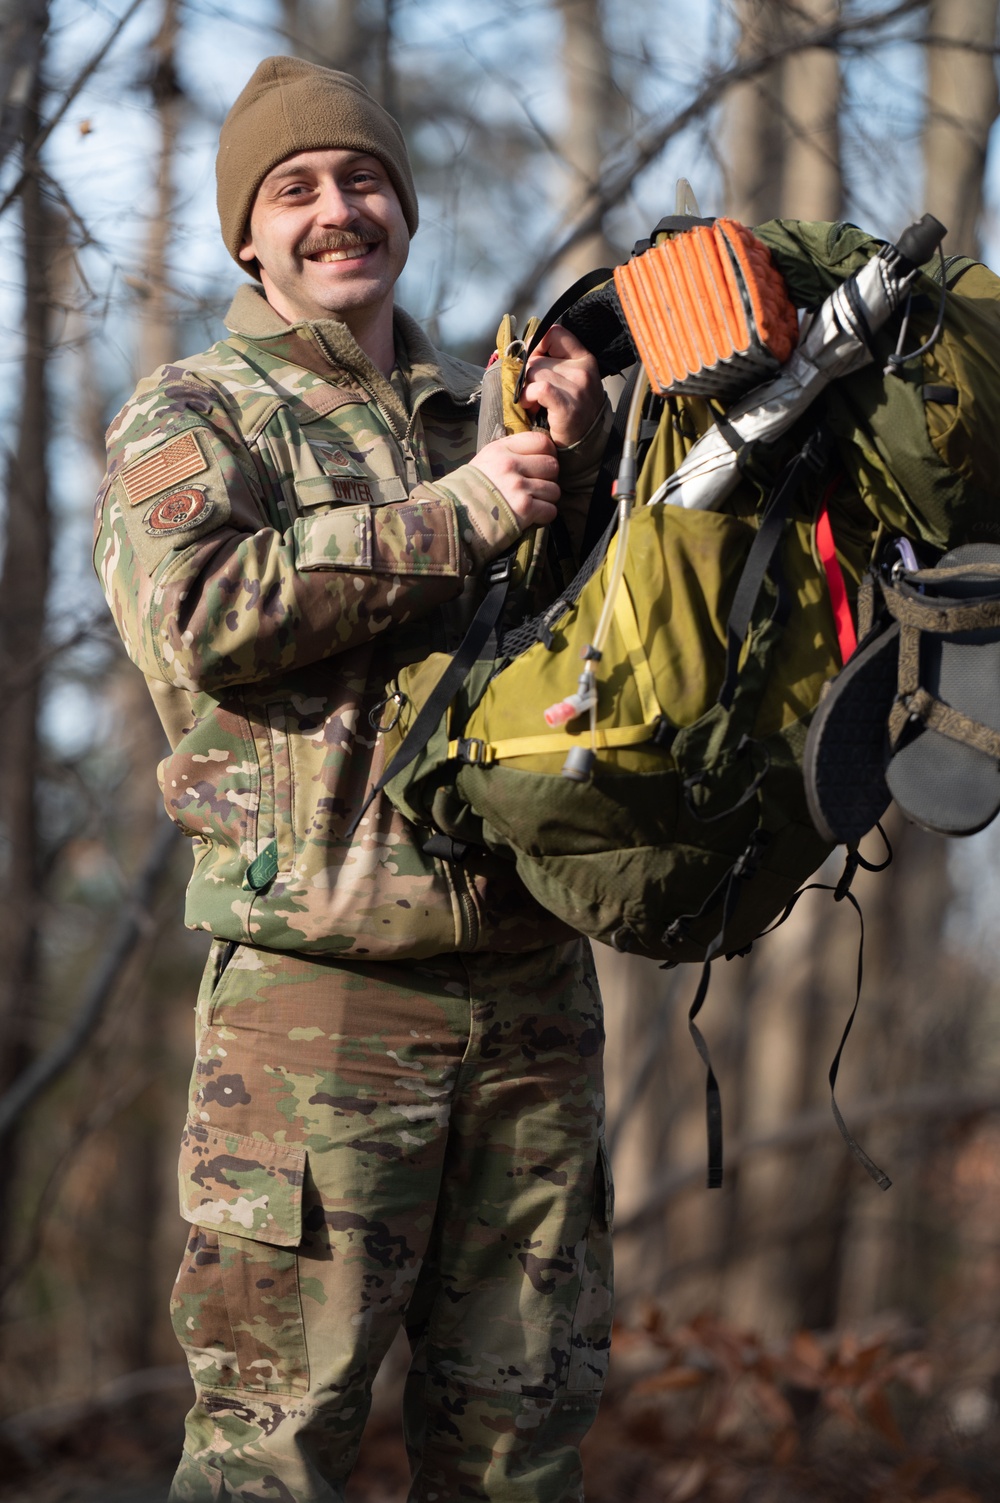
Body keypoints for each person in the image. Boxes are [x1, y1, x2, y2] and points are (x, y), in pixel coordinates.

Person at [95, 55, 613, 1503]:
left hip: (529, 996)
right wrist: (456, 518)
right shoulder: (191, 413)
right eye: (298, 188)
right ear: (247, 236)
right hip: (318, 1003)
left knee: (525, 1436)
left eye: (366, 178)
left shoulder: (485, 416)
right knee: (279, 1449)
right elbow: (200, 615)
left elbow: (593, 664)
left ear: (406, 209)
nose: (340, 210)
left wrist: (580, 463)